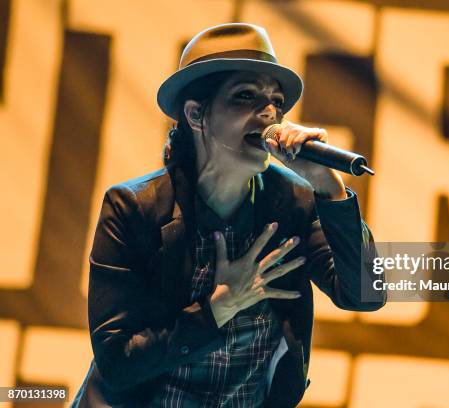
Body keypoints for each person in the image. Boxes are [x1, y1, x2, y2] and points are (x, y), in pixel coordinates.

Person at [71, 23, 385, 408]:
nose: (270, 113)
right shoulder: (134, 208)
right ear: (196, 113)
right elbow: (119, 362)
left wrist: (331, 190)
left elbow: (365, 296)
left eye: (276, 102)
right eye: (246, 96)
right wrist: (220, 307)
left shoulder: (295, 201)